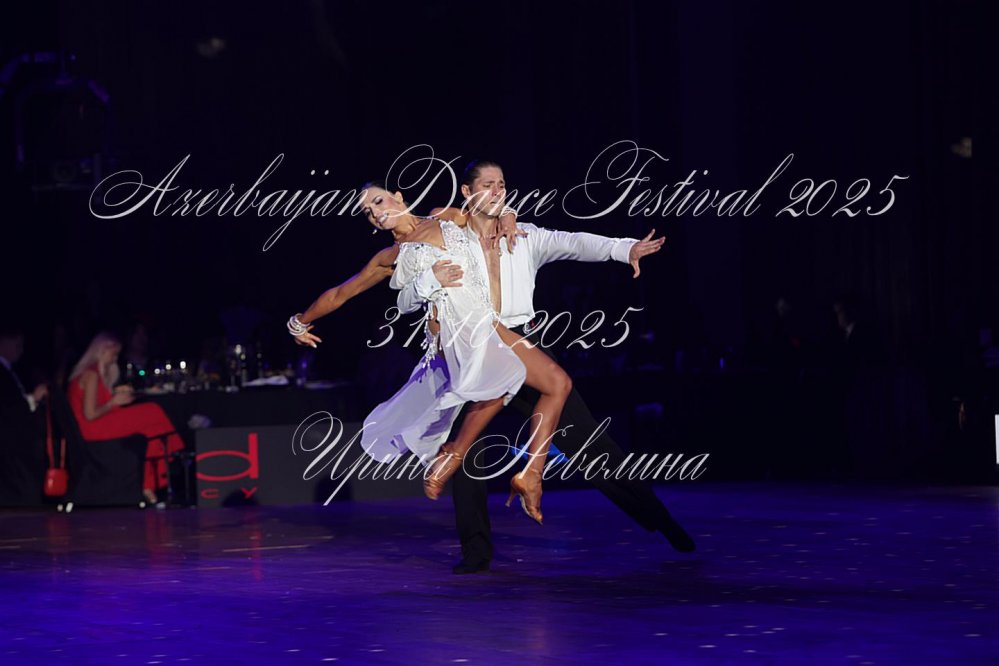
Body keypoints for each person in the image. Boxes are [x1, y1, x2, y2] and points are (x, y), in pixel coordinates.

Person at [402, 161, 694, 572]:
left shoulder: (524, 235)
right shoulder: (450, 239)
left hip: (524, 345)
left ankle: (659, 518)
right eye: (487, 184)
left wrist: (624, 248)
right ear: (467, 192)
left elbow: (574, 242)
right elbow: (431, 219)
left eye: (502, 184)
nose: (497, 191)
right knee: (467, 453)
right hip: (472, 348)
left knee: (589, 445)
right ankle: (476, 551)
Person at [67, 332, 185, 506]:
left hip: (98, 423)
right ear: (102, 350)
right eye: (113, 353)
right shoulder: (91, 374)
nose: (115, 358)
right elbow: (90, 415)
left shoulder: (94, 373)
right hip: (93, 428)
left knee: (151, 429)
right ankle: (174, 453)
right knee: (153, 411)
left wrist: (116, 398)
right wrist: (114, 402)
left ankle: (148, 483)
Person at [0, 325, 47, 506]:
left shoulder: (9, 371)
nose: (20, 350)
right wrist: (33, 399)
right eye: (17, 345)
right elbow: (7, 407)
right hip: (9, 441)